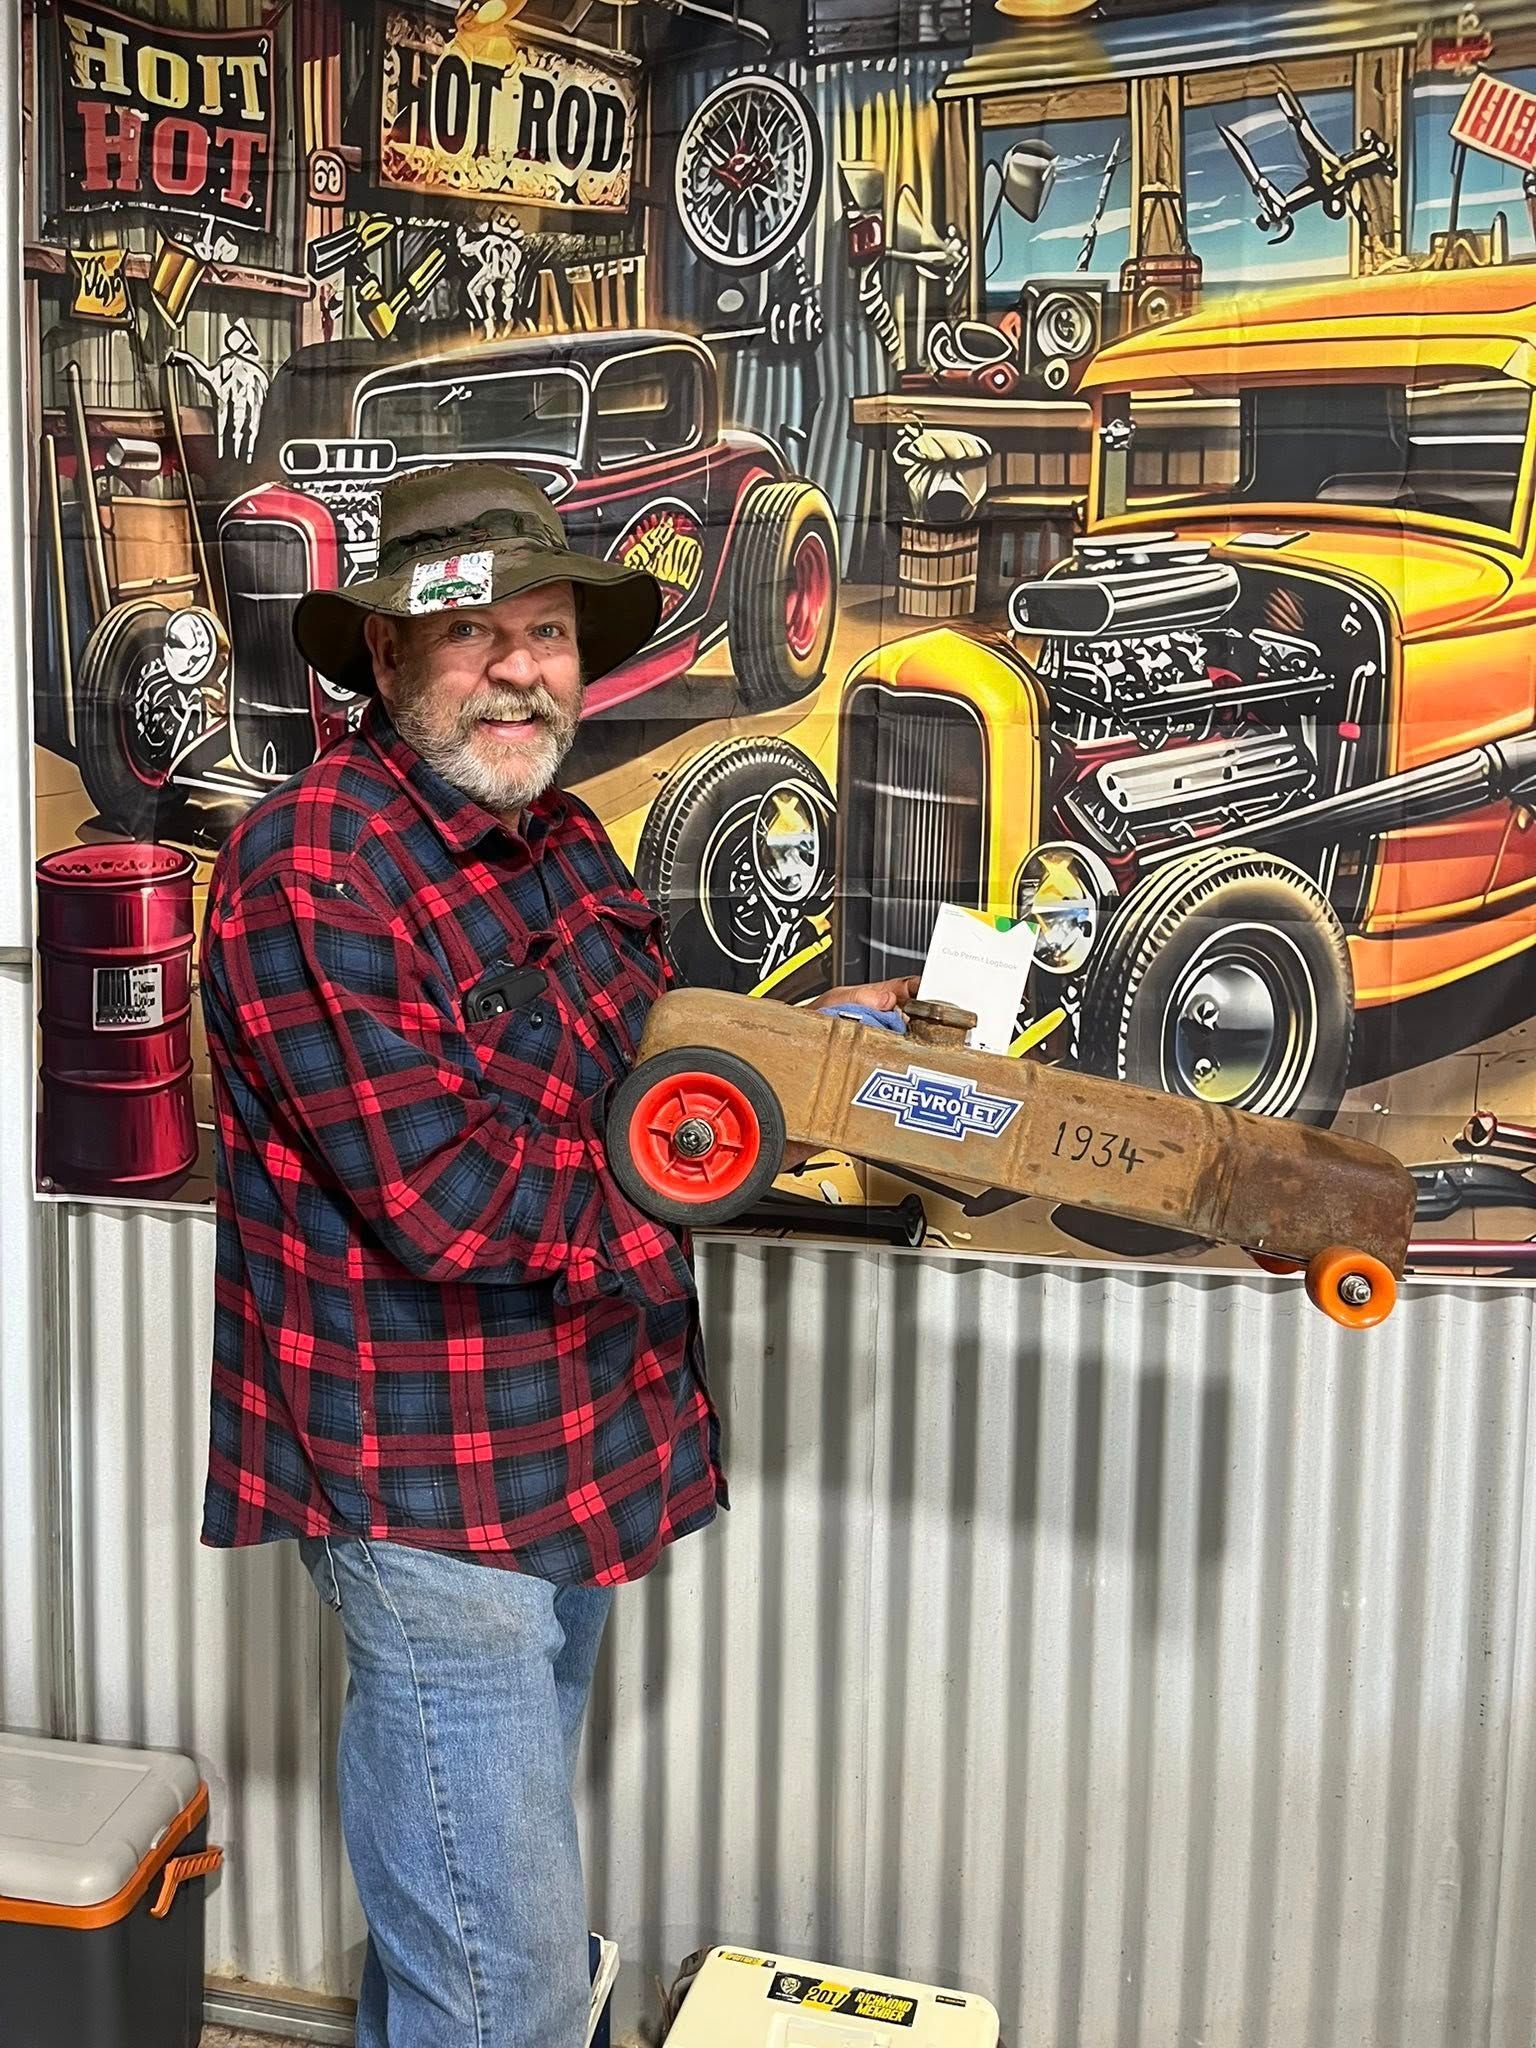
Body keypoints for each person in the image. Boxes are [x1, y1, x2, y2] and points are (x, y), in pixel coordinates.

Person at [198, 461, 914, 2048]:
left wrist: (791, 1061)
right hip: (425, 1498)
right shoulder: (312, 870)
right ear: (386, 659)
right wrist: (742, 1153)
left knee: (452, 1942)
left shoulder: (564, 838)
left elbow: (632, 1060)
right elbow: (447, 1195)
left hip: (569, 1444)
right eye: (475, 640)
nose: (523, 670)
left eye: (548, 632)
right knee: (504, 1988)